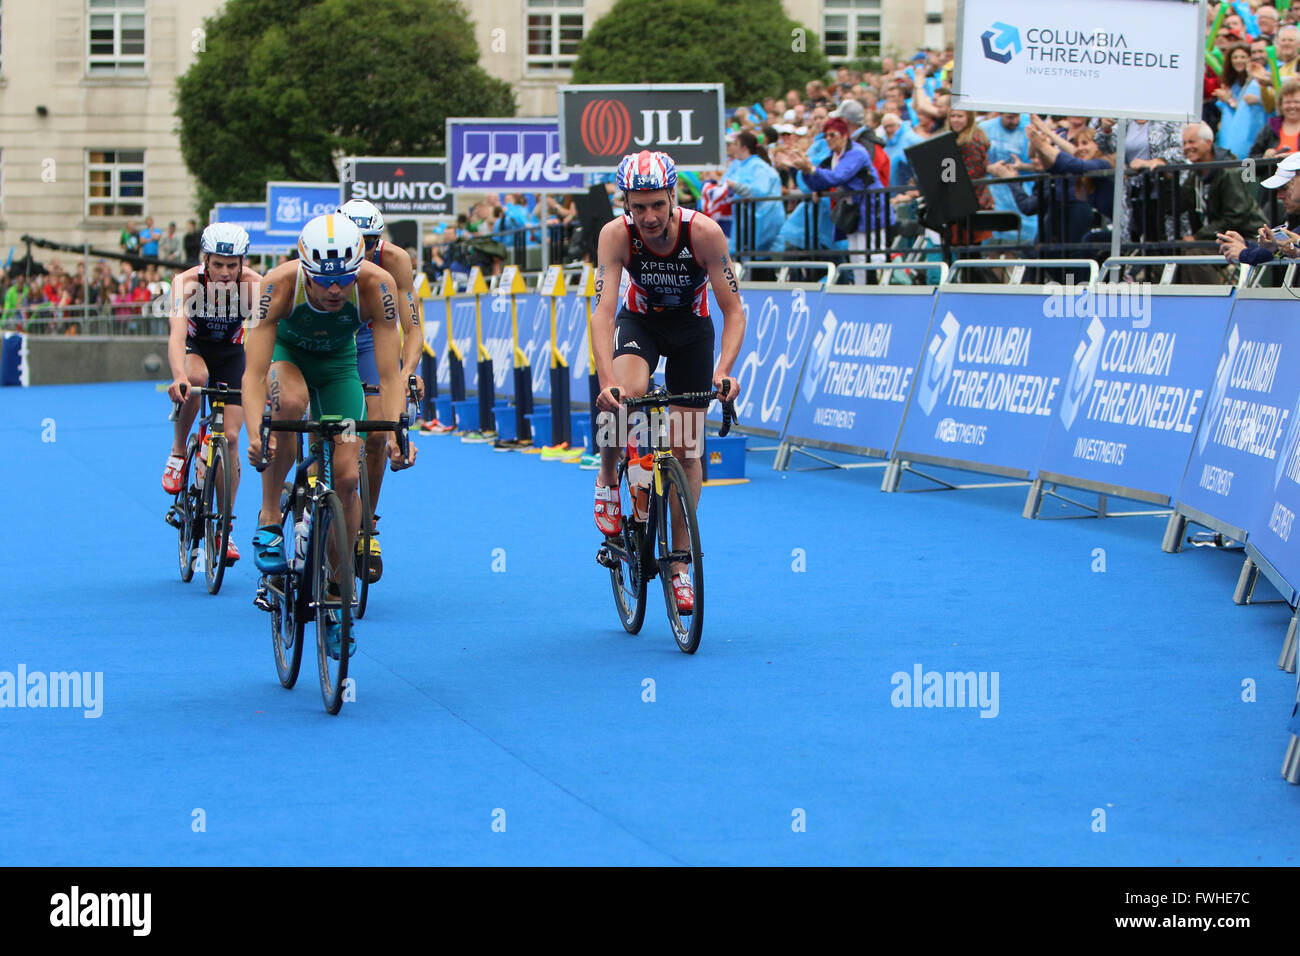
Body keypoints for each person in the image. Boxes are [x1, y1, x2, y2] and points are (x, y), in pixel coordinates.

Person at [243, 214, 417, 659]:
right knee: (290, 408)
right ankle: (267, 521)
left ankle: (337, 598)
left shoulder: (376, 285)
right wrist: (254, 431)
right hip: (289, 358)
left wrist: (398, 428)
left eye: (344, 278)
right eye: (325, 281)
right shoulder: (278, 285)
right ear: (305, 270)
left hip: (339, 367)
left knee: (345, 476)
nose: (336, 290)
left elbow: (388, 374)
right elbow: (255, 373)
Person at [590, 150, 746, 614]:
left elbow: (734, 309)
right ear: (627, 206)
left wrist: (723, 371)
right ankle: (606, 480)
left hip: (691, 332)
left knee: (686, 448)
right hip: (639, 323)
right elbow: (601, 311)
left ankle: (680, 564)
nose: (649, 216)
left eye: (657, 204)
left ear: (673, 197)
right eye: (638, 207)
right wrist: (606, 380)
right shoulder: (616, 235)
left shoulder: (704, 233)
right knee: (625, 397)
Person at [335, 198, 428, 582]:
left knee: (375, 434)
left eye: (372, 240)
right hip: (334, 335)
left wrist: (407, 373)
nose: (366, 249)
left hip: (373, 336)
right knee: (329, 426)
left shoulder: (396, 262)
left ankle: (366, 527)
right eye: (358, 240)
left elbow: (414, 327)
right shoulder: (325, 252)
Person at [162, 223, 261, 564]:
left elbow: (265, 340)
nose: (224, 272)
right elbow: (176, 335)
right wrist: (177, 377)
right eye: (217, 264)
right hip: (195, 349)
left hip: (232, 355)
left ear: (241, 264)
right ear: (205, 259)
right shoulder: (186, 284)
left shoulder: (254, 286)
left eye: (232, 265)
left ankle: (224, 527)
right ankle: (178, 452)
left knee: (231, 438)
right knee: (195, 377)